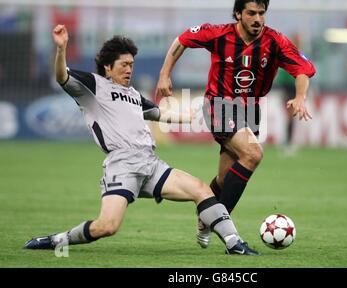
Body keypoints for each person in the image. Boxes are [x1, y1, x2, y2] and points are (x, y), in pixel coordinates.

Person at [22, 24, 260, 256]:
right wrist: (62, 49)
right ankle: (57, 240)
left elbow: (160, 114)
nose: (129, 69)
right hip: (122, 165)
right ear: (107, 67)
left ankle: (234, 243)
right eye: (124, 64)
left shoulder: (134, 95)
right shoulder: (94, 87)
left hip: (150, 164)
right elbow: (62, 76)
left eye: (132, 65)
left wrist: (190, 116)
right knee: (107, 227)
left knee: (201, 189)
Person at [155, 0, 316, 249]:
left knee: (223, 178)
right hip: (219, 104)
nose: (257, 19)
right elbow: (182, 40)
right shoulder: (218, 34)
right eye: (251, 13)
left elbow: (302, 70)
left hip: (250, 108)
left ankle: (205, 219)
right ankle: (225, 229)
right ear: (238, 14)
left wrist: (301, 97)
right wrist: (164, 74)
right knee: (253, 154)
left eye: (262, 13)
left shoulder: (275, 41)